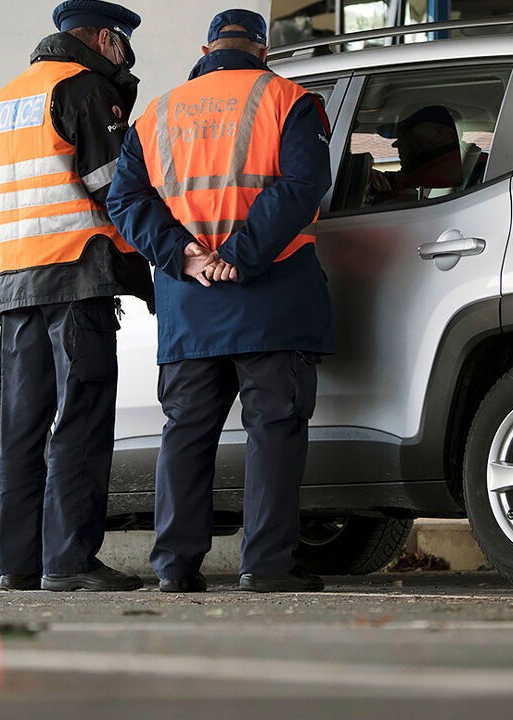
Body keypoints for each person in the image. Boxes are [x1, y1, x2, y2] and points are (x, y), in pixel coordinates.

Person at [106, 9, 334, 593]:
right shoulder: (288, 100)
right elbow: (302, 188)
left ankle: (174, 567)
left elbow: (126, 200)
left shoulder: (158, 112)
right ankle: (264, 566)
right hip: (271, 297)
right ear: (264, 51)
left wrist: (184, 253)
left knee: (185, 433)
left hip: (189, 302)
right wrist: (242, 253)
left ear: (206, 48)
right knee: (273, 431)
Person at [0, 0, 153, 592]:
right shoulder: (81, 90)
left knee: (23, 427)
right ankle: (70, 562)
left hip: (15, 285)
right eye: (123, 46)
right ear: (106, 39)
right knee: (79, 420)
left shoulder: (1, 99)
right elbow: (116, 195)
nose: (126, 58)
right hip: (76, 283)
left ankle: (18, 564)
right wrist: (148, 270)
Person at [369, 104, 463, 204]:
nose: (395, 144)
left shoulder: (443, 181)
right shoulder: (444, 176)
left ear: (438, 134)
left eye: (405, 133)